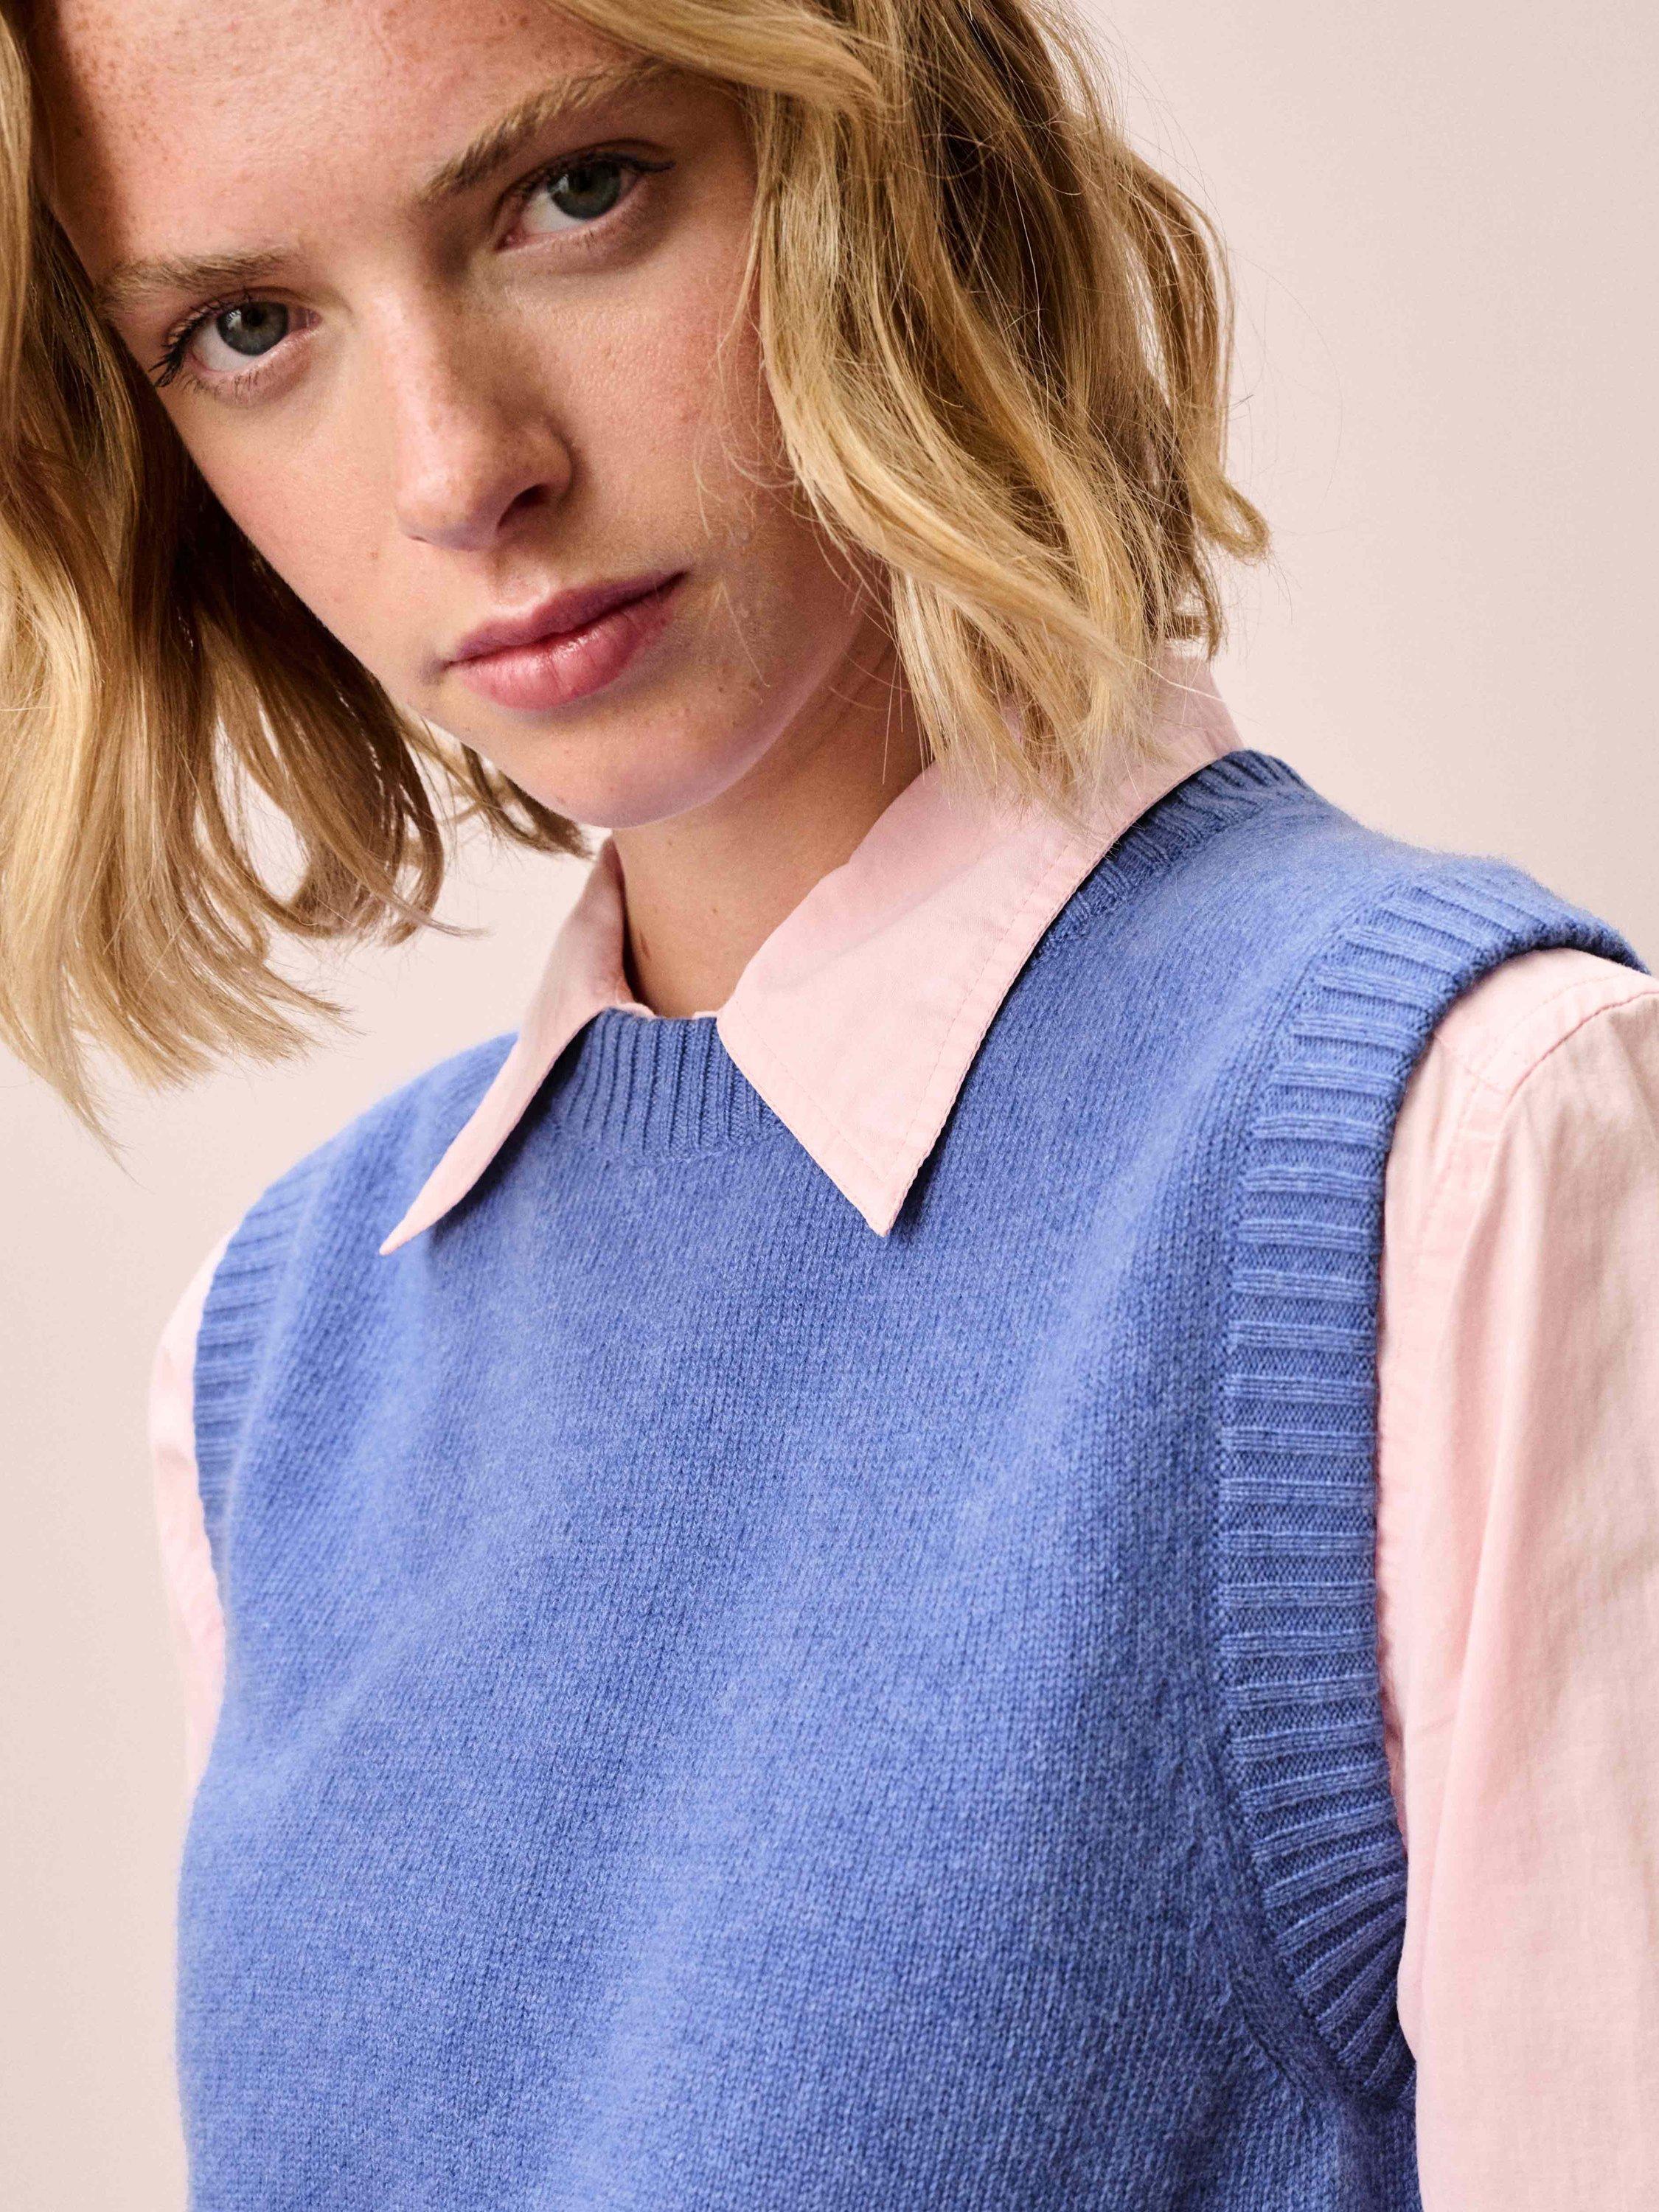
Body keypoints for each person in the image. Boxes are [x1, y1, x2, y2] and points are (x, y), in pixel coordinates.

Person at [1, 0, 1654, 2205]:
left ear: (889, 161)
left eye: (574, 194)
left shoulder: (1458, 1148)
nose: (456, 469)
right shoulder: (276, 1362)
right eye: (245, 328)